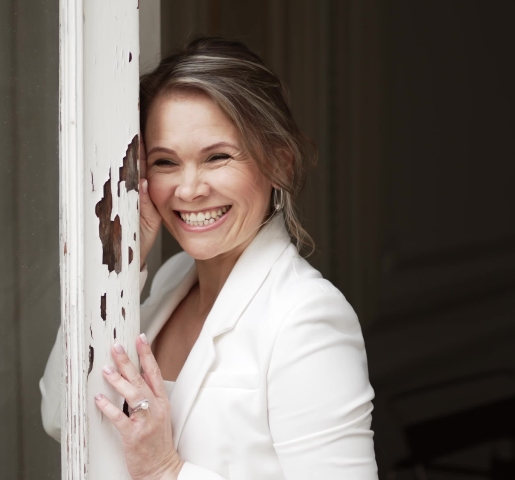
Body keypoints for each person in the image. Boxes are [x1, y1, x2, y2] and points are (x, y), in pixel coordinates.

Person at [39, 36, 377, 479]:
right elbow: (61, 416)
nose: (189, 189)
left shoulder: (306, 317)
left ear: (280, 162)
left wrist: (166, 469)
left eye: (217, 157)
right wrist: (121, 266)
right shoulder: (171, 281)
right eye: (165, 162)